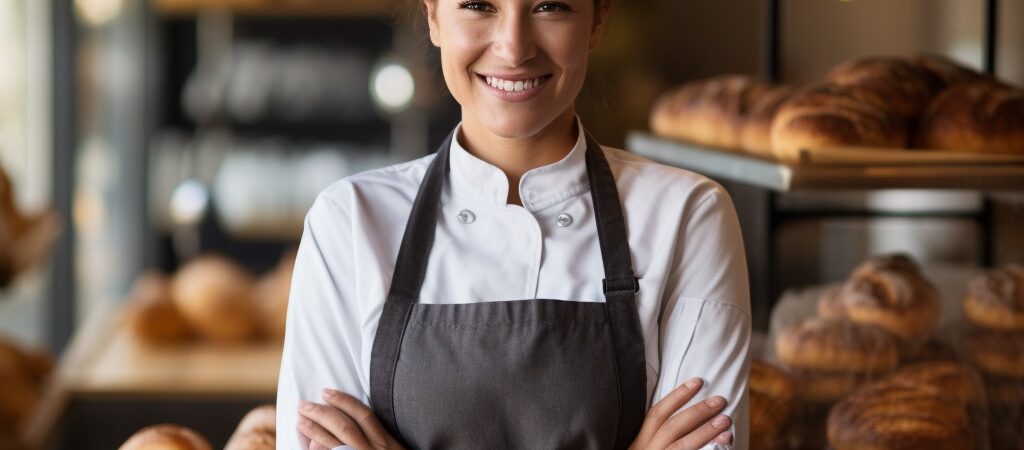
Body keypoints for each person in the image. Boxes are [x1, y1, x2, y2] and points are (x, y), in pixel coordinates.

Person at [275, 0, 751, 448]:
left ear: (597, 21)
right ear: (434, 16)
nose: (514, 47)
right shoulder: (349, 221)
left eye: (550, 6)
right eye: (479, 5)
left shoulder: (688, 215)